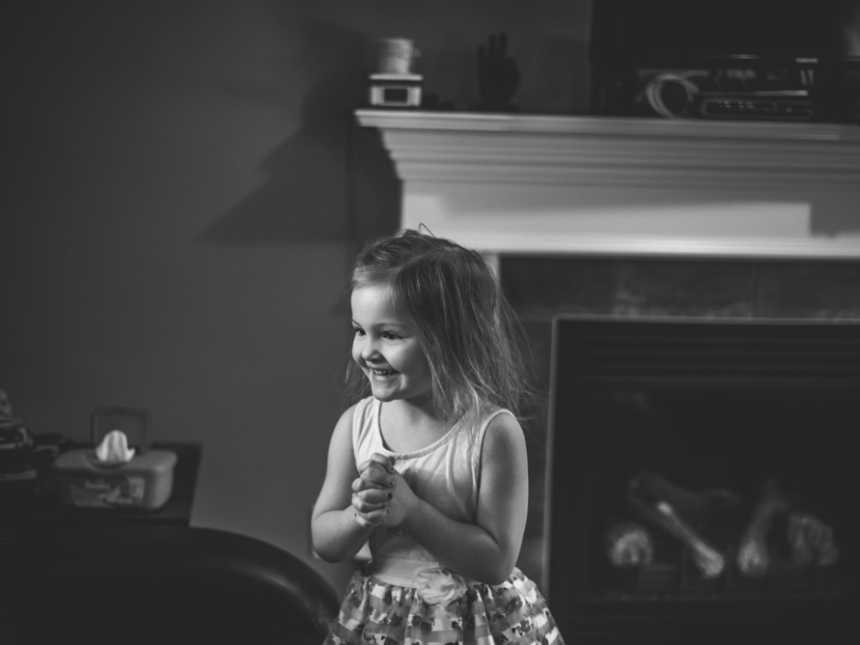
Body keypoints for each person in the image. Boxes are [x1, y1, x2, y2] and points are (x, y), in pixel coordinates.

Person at [311, 229, 565, 644]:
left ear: (451, 340)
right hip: (383, 620)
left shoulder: (492, 433)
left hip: (476, 624)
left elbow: (497, 561)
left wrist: (412, 513)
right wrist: (360, 516)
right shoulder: (356, 425)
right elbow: (325, 541)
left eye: (389, 334)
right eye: (360, 330)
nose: (367, 350)